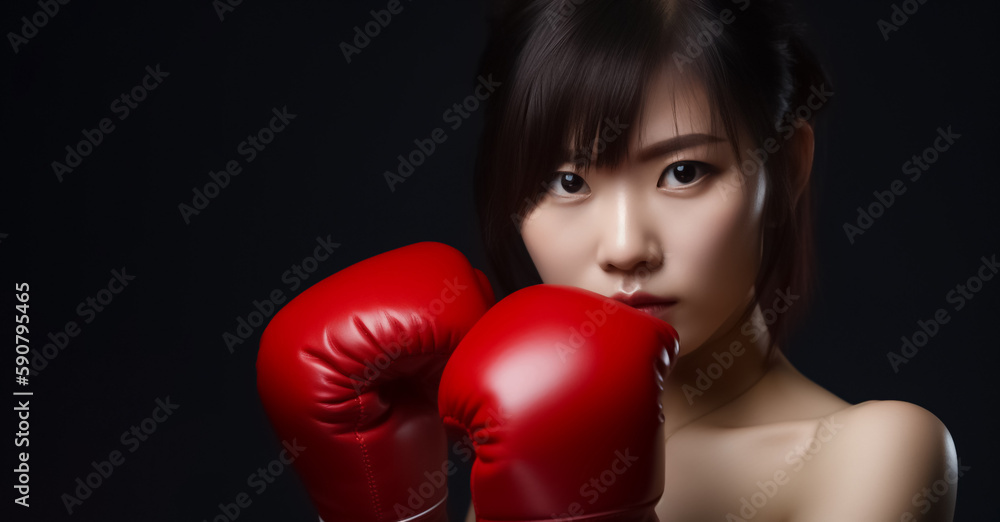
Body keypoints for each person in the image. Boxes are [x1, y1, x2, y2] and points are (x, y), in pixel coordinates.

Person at [256, 1, 959, 521]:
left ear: (788, 170)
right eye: (568, 182)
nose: (625, 247)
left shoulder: (874, 453)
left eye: (684, 172)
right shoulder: (514, 450)